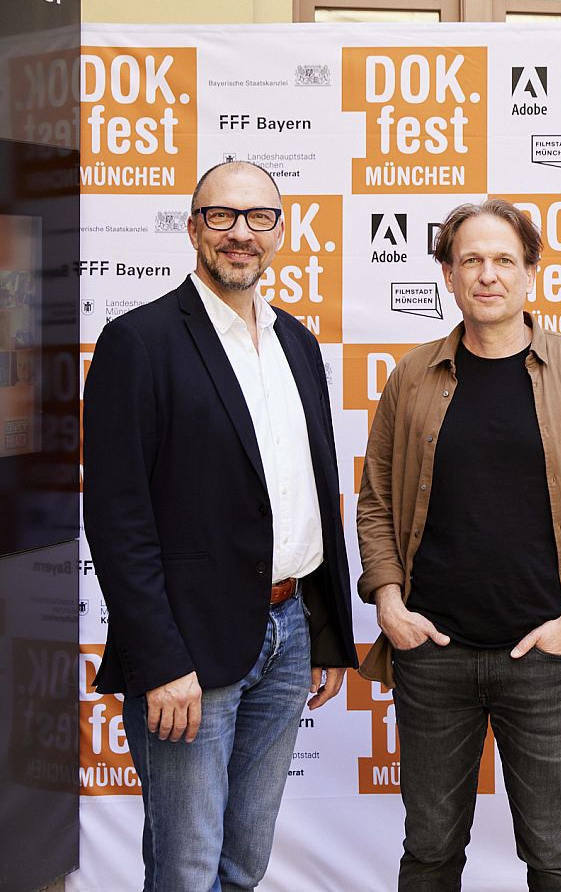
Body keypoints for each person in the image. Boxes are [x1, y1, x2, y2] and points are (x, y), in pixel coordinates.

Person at [83, 159, 357, 892]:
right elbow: (117, 518)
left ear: (281, 231)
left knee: (244, 864)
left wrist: (326, 630)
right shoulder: (139, 342)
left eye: (259, 217)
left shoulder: (298, 343)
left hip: (290, 633)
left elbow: (310, 492)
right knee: (187, 869)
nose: (241, 233)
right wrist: (161, 661)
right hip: (189, 650)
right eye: (222, 216)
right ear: (193, 228)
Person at [356, 198, 561, 891]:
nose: (488, 275)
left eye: (504, 260)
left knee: (555, 851)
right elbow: (377, 499)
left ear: (530, 272)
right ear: (448, 275)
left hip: (543, 656)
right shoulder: (413, 375)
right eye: (471, 260)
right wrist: (389, 604)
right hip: (431, 656)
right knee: (429, 851)